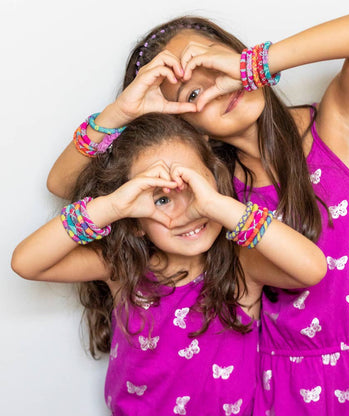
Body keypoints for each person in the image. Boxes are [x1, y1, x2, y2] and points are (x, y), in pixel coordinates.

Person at [45, 8, 349, 415]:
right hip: (277, 387)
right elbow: (65, 186)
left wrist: (252, 65)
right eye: (191, 94)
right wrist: (121, 112)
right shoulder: (212, 196)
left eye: (212, 62)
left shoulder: (338, 127)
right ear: (187, 127)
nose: (219, 88)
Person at [12, 113, 326, 415]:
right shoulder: (125, 268)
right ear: (135, 220)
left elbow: (311, 268)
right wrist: (111, 207)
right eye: (161, 199)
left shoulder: (241, 263)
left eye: (194, 188)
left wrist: (219, 205)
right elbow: (27, 263)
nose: (188, 211)